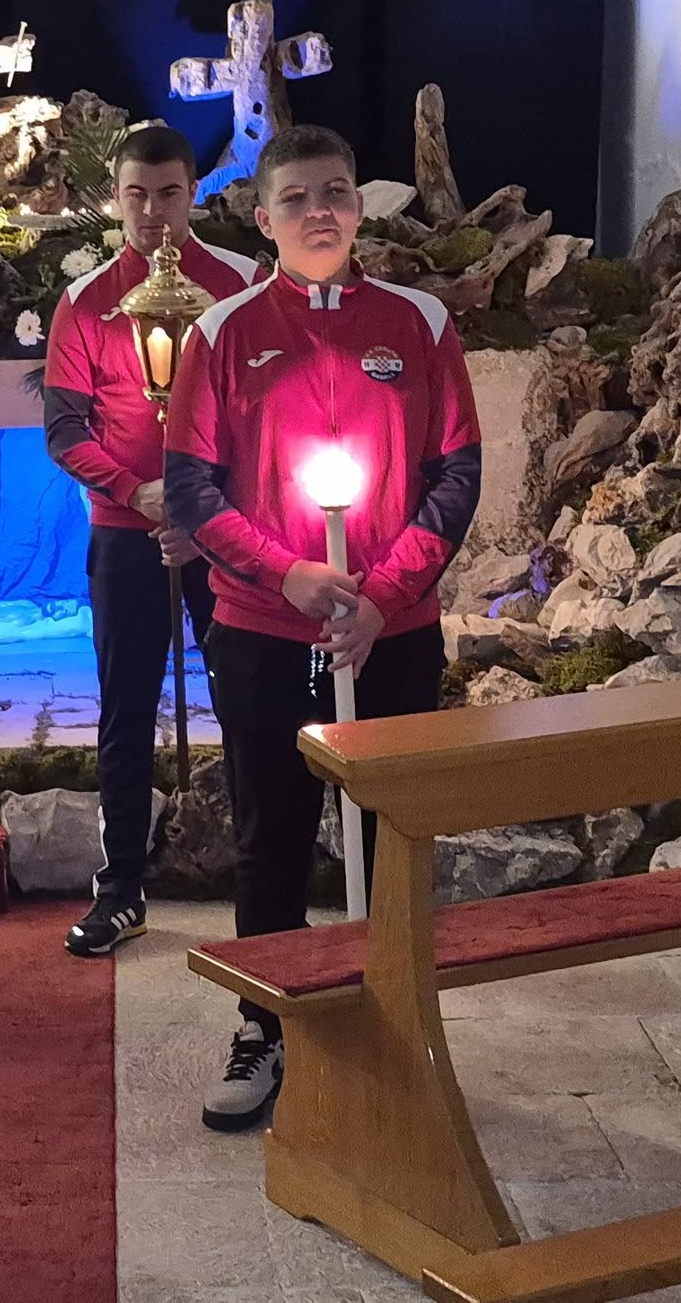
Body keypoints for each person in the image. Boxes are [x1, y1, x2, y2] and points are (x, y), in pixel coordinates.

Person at [165, 124, 481, 1130]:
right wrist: (287, 573)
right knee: (271, 834)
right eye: (296, 197)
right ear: (262, 219)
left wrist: (382, 596)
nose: (318, 211)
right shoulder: (221, 334)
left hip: (392, 629)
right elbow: (192, 486)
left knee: (390, 839)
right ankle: (266, 1025)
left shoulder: (419, 322)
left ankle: (393, 1024)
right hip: (265, 627)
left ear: (358, 208)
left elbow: (455, 473)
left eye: (335, 192)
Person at [43, 125, 260, 957]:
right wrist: (137, 491)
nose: (153, 212)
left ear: (193, 193)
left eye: (169, 193)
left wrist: (203, 512)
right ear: (114, 198)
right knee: (125, 707)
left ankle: (261, 883)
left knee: (247, 701)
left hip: (227, 535)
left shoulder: (238, 285)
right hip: (125, 532)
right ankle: (121, 887)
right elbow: (66, 429)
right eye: (136, 194)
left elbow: (261, 413)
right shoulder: (85, 300)